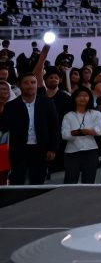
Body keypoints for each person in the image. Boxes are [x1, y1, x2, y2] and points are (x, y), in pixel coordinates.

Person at [0, 51, 60, 185]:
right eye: (26, 83)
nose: (30, 85)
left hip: (41, 149)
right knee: (17, 181)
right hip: (19, 150)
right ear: (20, 86)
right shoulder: (11, 106)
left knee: (38, 182)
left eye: (33, 82)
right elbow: (3, 126)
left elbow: (54, 126)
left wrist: (52, 148)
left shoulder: (46, 103)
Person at [60, 87, 101, 184]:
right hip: (72, 151)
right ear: (75, 98)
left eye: (86, 96)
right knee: (70, 180)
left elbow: (99, 131)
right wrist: (85, 132)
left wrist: (78, 132)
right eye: (80, 96)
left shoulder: (96, 114)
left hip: (91, 150)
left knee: (89, 181)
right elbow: (65, 135)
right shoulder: (68, 115)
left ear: (89, 98)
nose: (83, 98)